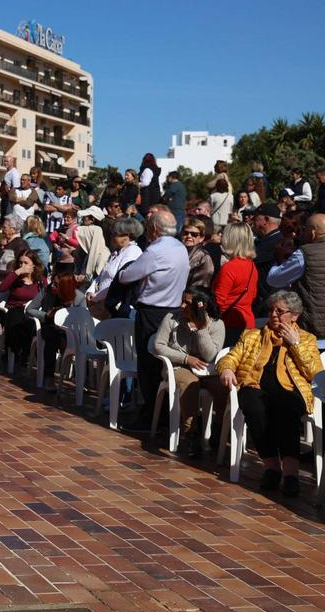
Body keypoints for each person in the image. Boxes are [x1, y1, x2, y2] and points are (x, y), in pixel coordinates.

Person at [219, 291, 323, 496]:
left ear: (294, 315)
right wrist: (227, 368)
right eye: (271, 310)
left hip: (291, 390)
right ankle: (271, 466)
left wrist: (295, 345)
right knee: (254, 407)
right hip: (255, 386)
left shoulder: (306, 339)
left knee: (285, 408)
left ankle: (291, 473)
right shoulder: (253, 335)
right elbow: (230, 356)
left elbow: (315, 373)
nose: (273, 314)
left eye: (279, 311)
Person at [118, 206, 190, 430]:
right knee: (164, 365)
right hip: (175, 312)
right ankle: (163, 416)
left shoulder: (155, 251)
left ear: (154, 230)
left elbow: (127, 276)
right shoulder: (181, 248)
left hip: (152, 312)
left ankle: (150, 418)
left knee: (149, 367)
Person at [153, 288, 225, 457]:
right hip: (179, 366)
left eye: (187, 302)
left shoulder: (217, 324)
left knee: (223, 387)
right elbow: (158, 345)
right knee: (190, 384)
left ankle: (219, 429)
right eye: (182, 300)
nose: (182, 305)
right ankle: (191, 433)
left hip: (207, 369)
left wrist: (201, 329)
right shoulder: (172, 318)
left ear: (201, 306)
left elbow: (210, 355)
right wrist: (185, 358)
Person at [213, 221, 259, 345]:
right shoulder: (252, 266)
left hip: (229, 325)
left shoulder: (229, 268)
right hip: (247, 322)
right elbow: (253, 295)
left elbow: (219, 301)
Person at [0, 250, 45, 369]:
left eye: (25, 263)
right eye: (20, 263)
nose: (22, 265)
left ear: (34, 265)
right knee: (18, 318)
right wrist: (17, 272)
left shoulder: (40, 281)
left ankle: (28, 354)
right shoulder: (15, 277)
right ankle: (18, 352)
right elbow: (2, 288)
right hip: (15, 310)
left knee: (34, 322)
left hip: (33, 313)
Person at [251, 203, 284, 314]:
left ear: (265, 220)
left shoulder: (274, 242)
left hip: (268, 305)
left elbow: (249, 259)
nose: (252, 221)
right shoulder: (270, 239)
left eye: (255, 218)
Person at [182, 216, 215, 291]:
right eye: (186, 233)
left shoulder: (204, 258)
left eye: (194, 234)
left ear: (201, 238)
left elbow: (199, 288)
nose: (189, 236)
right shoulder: (178, 251)